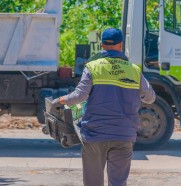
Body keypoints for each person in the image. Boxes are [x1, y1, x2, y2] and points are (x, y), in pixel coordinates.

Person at [51, 28, 156, 186]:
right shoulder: (134, 70)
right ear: (121, 45)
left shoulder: (93, 67)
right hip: (124, 135)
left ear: (102, 45)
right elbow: (150, 98)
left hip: (95, 135)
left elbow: (79, 96)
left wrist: (60, 100)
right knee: (118, 183)